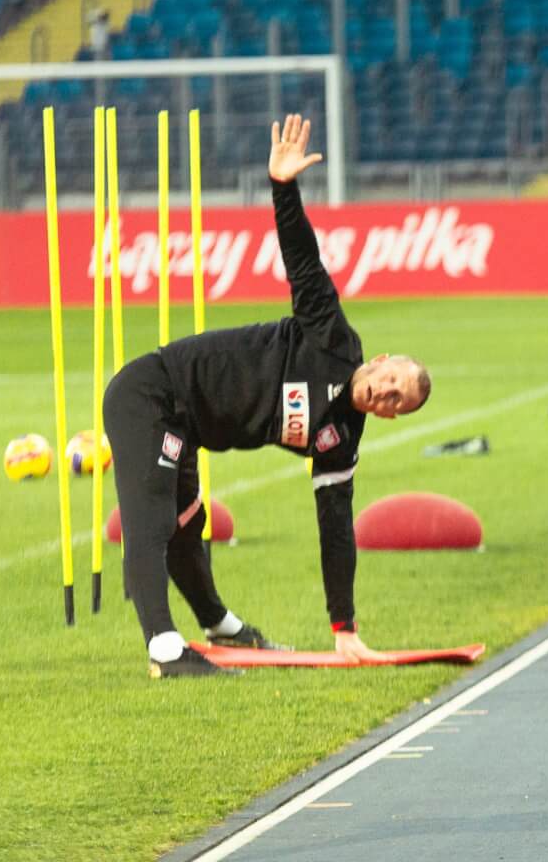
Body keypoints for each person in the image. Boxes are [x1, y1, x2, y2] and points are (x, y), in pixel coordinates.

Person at [105, 115, 431, 678]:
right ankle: (163, 649)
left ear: (393, 415)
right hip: (151, 393)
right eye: (393, 381)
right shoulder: (331, 338)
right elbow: (303, 260)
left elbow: (336, 531)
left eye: (398, 402)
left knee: (188, 521)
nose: (389, 394)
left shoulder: (340, 443)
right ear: (378, 362)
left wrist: (345, 630)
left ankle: (222, 628)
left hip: (188, 429)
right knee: (154, 518)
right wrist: (283, 186)